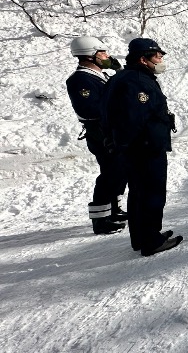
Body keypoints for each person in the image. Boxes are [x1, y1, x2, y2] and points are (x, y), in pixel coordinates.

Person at [102, 38, 182, 257]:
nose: (161, 59)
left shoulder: (128, 77)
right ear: (142, 59)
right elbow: (134, 119)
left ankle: (141, 238)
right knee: (152, 194)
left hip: (137, 149)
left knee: (138, 193)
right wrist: (139, 145)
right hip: (145, 149)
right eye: (157, 56)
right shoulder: (137, 82)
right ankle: (151, 241)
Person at [65, 36, 128, 235]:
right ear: (90, 56)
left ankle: (114, 209)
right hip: (100, 133)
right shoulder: (80, 80)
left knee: (120, 171)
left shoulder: (101, 75)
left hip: (114, 131)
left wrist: (118, 73)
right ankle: (100, 219)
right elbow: (90, 109)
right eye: (103, 53)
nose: (107, 56)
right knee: (110, 173)